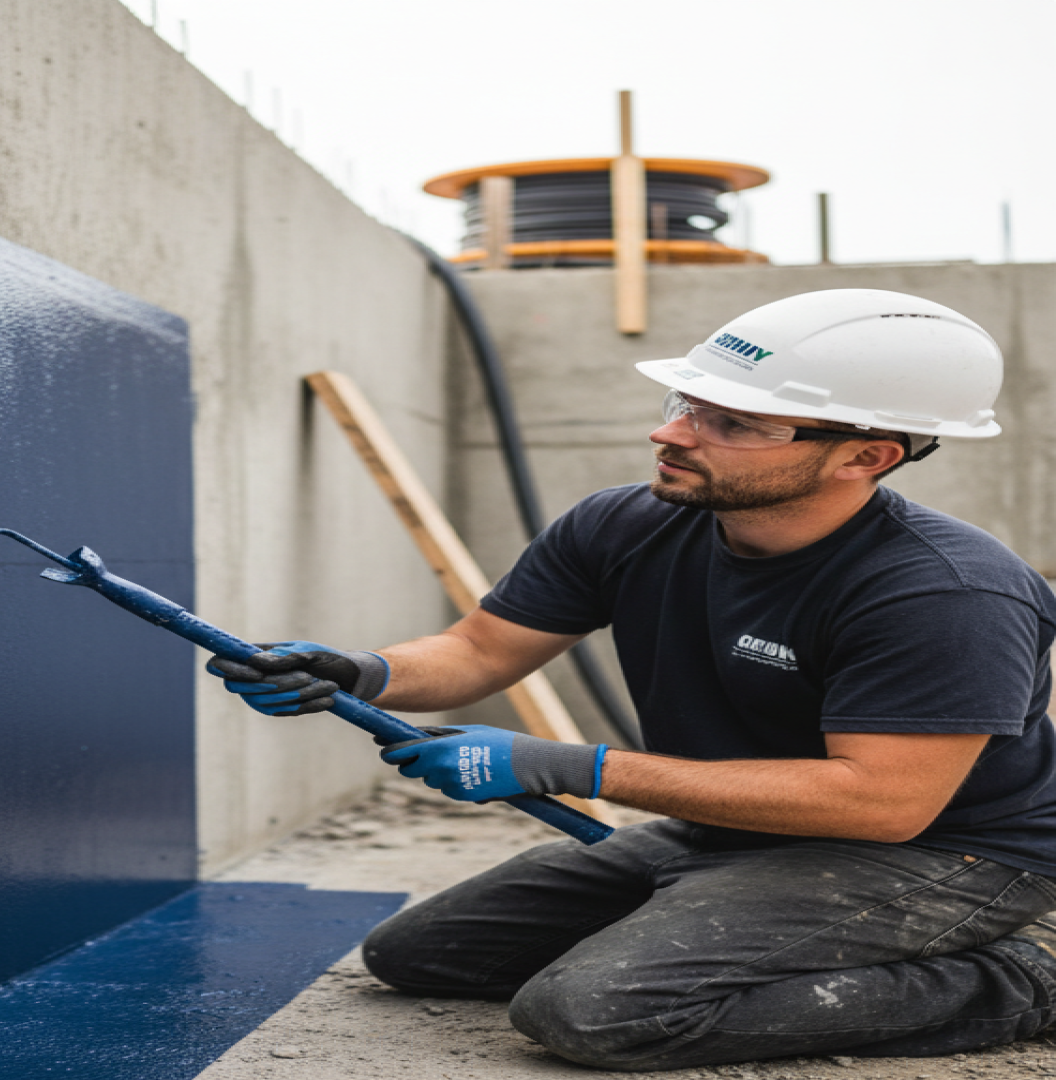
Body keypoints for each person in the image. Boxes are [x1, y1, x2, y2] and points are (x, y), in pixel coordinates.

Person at [208, 289, 1056, 1071]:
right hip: (726, 831)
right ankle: (733, 902)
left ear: (863, 456)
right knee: (420, 956)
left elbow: (880, 803)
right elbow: (479, 651)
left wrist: (575, 768)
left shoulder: (944, 593)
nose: (674, 434)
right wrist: (362, 671)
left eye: (733, 423)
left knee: (593, 1012)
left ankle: (1025, 978)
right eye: (685, 404)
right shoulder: (627, 523)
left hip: (945, 855)